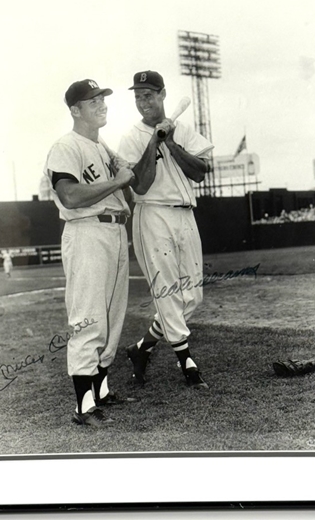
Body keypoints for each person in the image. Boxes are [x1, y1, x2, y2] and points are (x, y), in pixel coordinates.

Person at [44, 78, 135, 428]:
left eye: (102, 99)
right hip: (86, 232)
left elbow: (134, 180)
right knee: (88, 317)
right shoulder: (66, 146)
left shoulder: (101, 147)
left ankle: (102, 391)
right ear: (75, 110)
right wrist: (117, 181)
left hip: (114, 230)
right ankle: (83, 407)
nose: (101, 105)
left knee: (112, 317)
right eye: (92, 101)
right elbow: (69, 196)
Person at [118, 70, 214, 390]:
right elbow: (141, 185)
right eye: (137, 97)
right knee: (168, 291)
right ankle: (187, 363)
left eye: (148, 95)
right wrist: (152, 143)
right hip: (153, 215)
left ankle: (142, 349)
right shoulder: (131, 137)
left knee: (193, 295)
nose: (143, 102)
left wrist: (171, 143)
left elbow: (201, 173)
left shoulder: (182, 129)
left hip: (186, 216)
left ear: (162, 95)